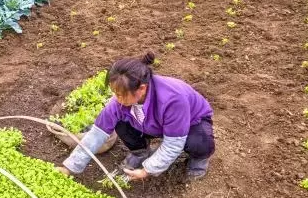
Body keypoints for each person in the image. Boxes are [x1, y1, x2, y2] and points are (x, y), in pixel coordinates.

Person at [57, 51, 215, 180]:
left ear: (142, 88)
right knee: (118, 122)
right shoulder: (120, 102)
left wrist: (147, 170)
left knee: (198, 141)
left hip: (192, 123)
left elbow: (173, 144)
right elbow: (97, 134)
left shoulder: (173, 100)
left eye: (121, 94)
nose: (116, 99)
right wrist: (70, 167)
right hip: (151, 122)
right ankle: (140, 152)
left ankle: (199, 159)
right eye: (115, 93)